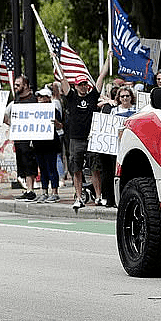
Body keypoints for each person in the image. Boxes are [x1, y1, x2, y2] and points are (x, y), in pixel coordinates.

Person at [61, 55, 109, 210]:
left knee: (95, 168)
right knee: (76, 169)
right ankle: (79, 197)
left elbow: (102, 75)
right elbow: (63, 79)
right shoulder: (71, 97)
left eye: (84, 84)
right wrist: (55, 59)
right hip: (75, 139)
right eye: (80, 84)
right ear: (76, 86)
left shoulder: (92, 97)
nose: (83, 87)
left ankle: (98, 196)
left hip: (92, 138)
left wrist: (108, 58)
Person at [5, 75, 39, 200]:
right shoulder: (16, 100)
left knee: (29, 162)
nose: (15, 87)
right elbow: (8, 117)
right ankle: (27, 190)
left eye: (18, 85)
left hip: (30, 139)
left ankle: (31, 190)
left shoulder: (34, 100)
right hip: (19, 138)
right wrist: (10, 123)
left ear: (25, 85)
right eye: (15, 84)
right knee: (22, 163)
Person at [32, 88, 62, 203]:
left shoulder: (54, 110)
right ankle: (44, 191)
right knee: (42, 168)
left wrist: (56, 123)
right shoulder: (33, 111)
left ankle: (55, 192)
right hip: (38, 143)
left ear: (48, 98)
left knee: (52, 167)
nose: (41, 99)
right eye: (39, 97)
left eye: (43, 97)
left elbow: (61, 125)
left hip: (51, 143)